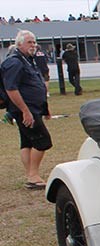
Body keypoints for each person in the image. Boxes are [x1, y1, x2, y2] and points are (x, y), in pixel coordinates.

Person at [0, 31, 52, 190]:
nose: (33, 45)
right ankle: (33, 176)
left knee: (27, 142)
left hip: (33, 108)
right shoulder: (15, 63)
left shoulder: (28, 60)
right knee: (43, 142)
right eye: (29, 42)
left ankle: (31, 174)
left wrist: (45, 109)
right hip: (25, 110)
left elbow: (35, 84)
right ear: (19, 44)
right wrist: (25, 111)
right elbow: (11, 89)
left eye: (34, 42)